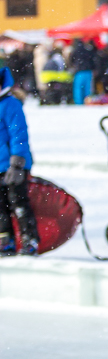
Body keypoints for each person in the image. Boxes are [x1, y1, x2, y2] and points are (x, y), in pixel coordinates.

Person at [0, 67, 39, 256]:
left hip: (13, 165)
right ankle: (5, 240)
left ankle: (29, 239)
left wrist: (17, 163)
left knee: (18, 202)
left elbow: (19, 134)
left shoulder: (10, 104)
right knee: (0, 207)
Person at [69, 38, 97, 104]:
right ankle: (88, 101)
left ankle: (79, 102)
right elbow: (93, 60)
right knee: (88, 88)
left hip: (79, 71)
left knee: (78, 88)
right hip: (88, 71)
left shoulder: (75, 51)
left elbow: (71, 60)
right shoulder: (88, 50)